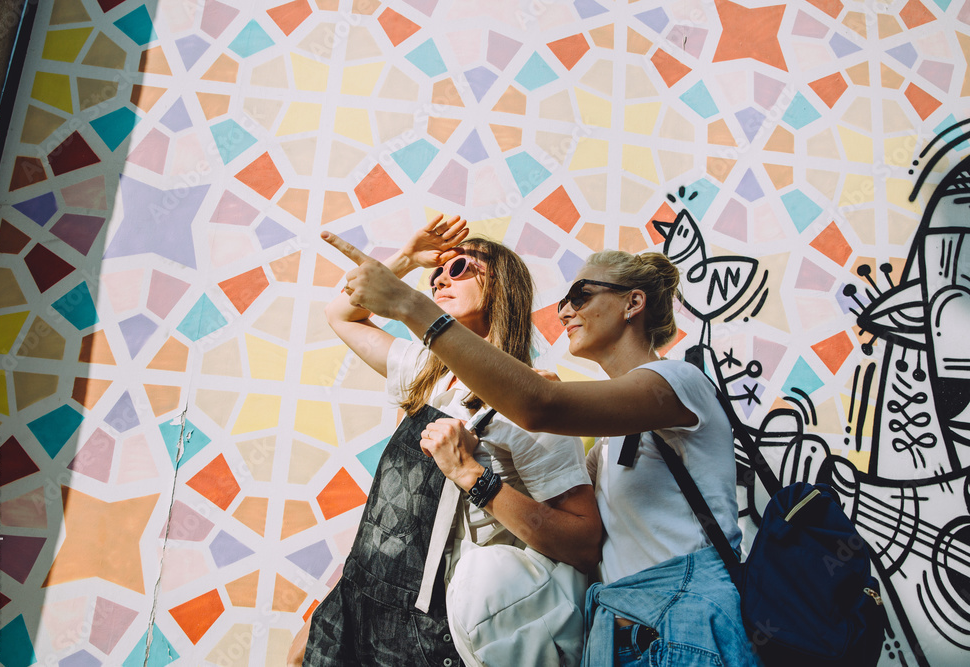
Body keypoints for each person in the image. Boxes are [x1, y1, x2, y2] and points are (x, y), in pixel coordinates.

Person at [323, 230, 760, 667]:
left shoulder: (682, 382)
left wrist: (408, 304)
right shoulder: (607, 438)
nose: (566, 310)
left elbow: (540, 408)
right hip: (618, 626)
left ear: (633, 303)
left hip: (681, 616)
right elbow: (544, 408)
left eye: (581, 295)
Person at [293, 215, 601, 667]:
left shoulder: (530, 397)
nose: (440, 281)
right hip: (360, 600)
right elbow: (340, 313)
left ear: (500, 286)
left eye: (459, 269)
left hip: (432, 627)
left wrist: (472, 477)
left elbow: (584, 542)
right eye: (435, 274)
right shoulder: (425, 371)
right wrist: (406, 258)